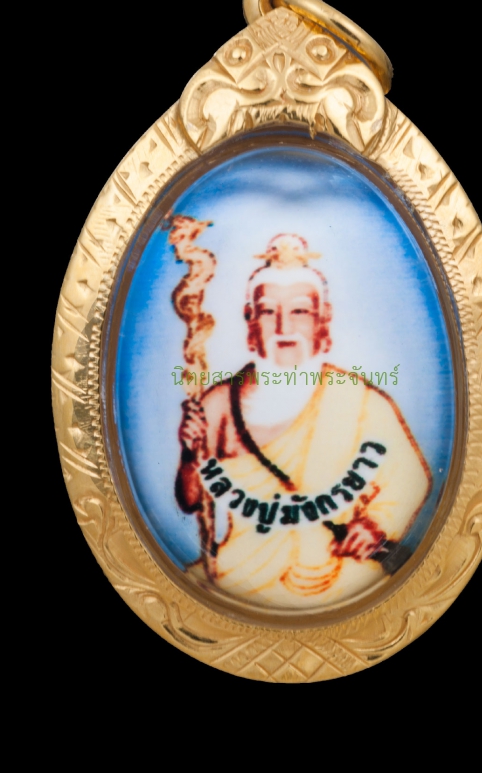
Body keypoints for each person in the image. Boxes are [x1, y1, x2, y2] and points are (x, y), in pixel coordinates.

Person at [175, 234, 432, 609]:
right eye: (268, 311)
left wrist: (375, 525)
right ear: (250, 320)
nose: (283, 327)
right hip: (239, 579)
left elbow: (411, 475)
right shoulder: (218, 404)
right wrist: (188, 454)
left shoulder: (358, 399)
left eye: (299, 312)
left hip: (344, 578)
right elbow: (190, 500)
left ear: (322, 321)